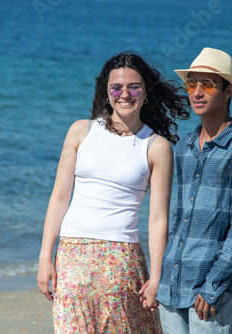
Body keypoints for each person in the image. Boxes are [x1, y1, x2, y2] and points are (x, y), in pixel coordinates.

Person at [37, 52, 189, 333]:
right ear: (106, 93)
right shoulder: (81, 132)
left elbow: (157, 220)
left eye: (134, 87)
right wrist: (45, 257)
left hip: (121, 261)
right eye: (116, 88)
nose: (125, 94)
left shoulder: (156, 146)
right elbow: (59, 197)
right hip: (71, 256)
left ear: (145, 93)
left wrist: (156, 276)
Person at [141, 47, 232, 333]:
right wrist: (160, 279)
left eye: (208, 84)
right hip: (172, 288)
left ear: (228, 92)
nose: (197, 92)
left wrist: (213, 285)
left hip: (215, 294)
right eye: (192, 84)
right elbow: (180, 220)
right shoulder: (184, 147)